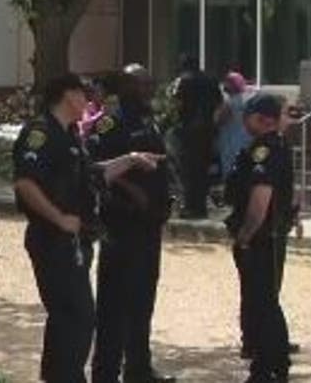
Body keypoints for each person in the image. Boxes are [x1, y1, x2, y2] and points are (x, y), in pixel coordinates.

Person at [13, 73, 163, 383]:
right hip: (54, 239)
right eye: (84, 94)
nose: (90, 100)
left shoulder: (68, 134)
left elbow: (93, 174)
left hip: (74, 240)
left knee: (68, 317)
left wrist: (131, 160)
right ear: (68, 95)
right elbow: (26, 183)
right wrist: (58, 218)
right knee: (77, 316)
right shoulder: (40, 133)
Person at [86, 65, 175, 383]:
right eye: (142, 83)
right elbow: (92, 165)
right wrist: (130, 188)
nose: (149, 88)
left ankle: (138, 368)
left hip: (149, 226)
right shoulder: (111, 122)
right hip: (121, 225)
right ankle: (105, 372)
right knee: (114, 304)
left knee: (142, 301)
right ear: (126, 86)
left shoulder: (148, 119)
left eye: (151, 81)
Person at [225, 94, 293, 382]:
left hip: (261, 238)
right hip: (271, 235)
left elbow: (260, 198)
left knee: (260, 302)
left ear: (261, 118)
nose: (244, 121)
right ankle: (278, 361)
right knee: (266, 300)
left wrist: (245, 234)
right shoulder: (276, 146)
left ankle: (265, 369)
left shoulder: (264, 150)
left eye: (248, 116)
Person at [170, 54, 224, 218]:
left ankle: (189, 206)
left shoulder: (182, 80)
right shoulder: (211, 80)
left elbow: (176, 102)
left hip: (188, 131)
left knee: (187, 170)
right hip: (207, 131)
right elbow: (219, 104)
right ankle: (201, 207)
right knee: (203, 169)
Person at [216, 71, 253, 180]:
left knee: (231, 172)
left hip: (231, 143)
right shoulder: (249, 100)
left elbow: (219, 120)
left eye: (227, 83)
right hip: (247, 140)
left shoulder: (229, 103)